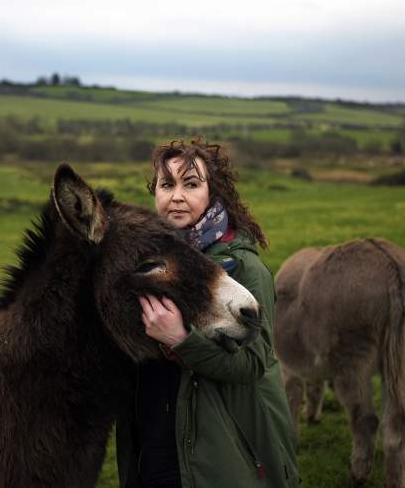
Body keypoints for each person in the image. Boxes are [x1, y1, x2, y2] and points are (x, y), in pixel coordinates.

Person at [115, 137, 300, 488]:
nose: (177, 196)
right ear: (155, 192)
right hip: (154, 442)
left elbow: (253, 364)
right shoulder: (142, 265)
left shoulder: (245, 268)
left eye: (192, 184)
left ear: (213, 192)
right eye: (167, 184)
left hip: (220, 451)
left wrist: (182, 341)